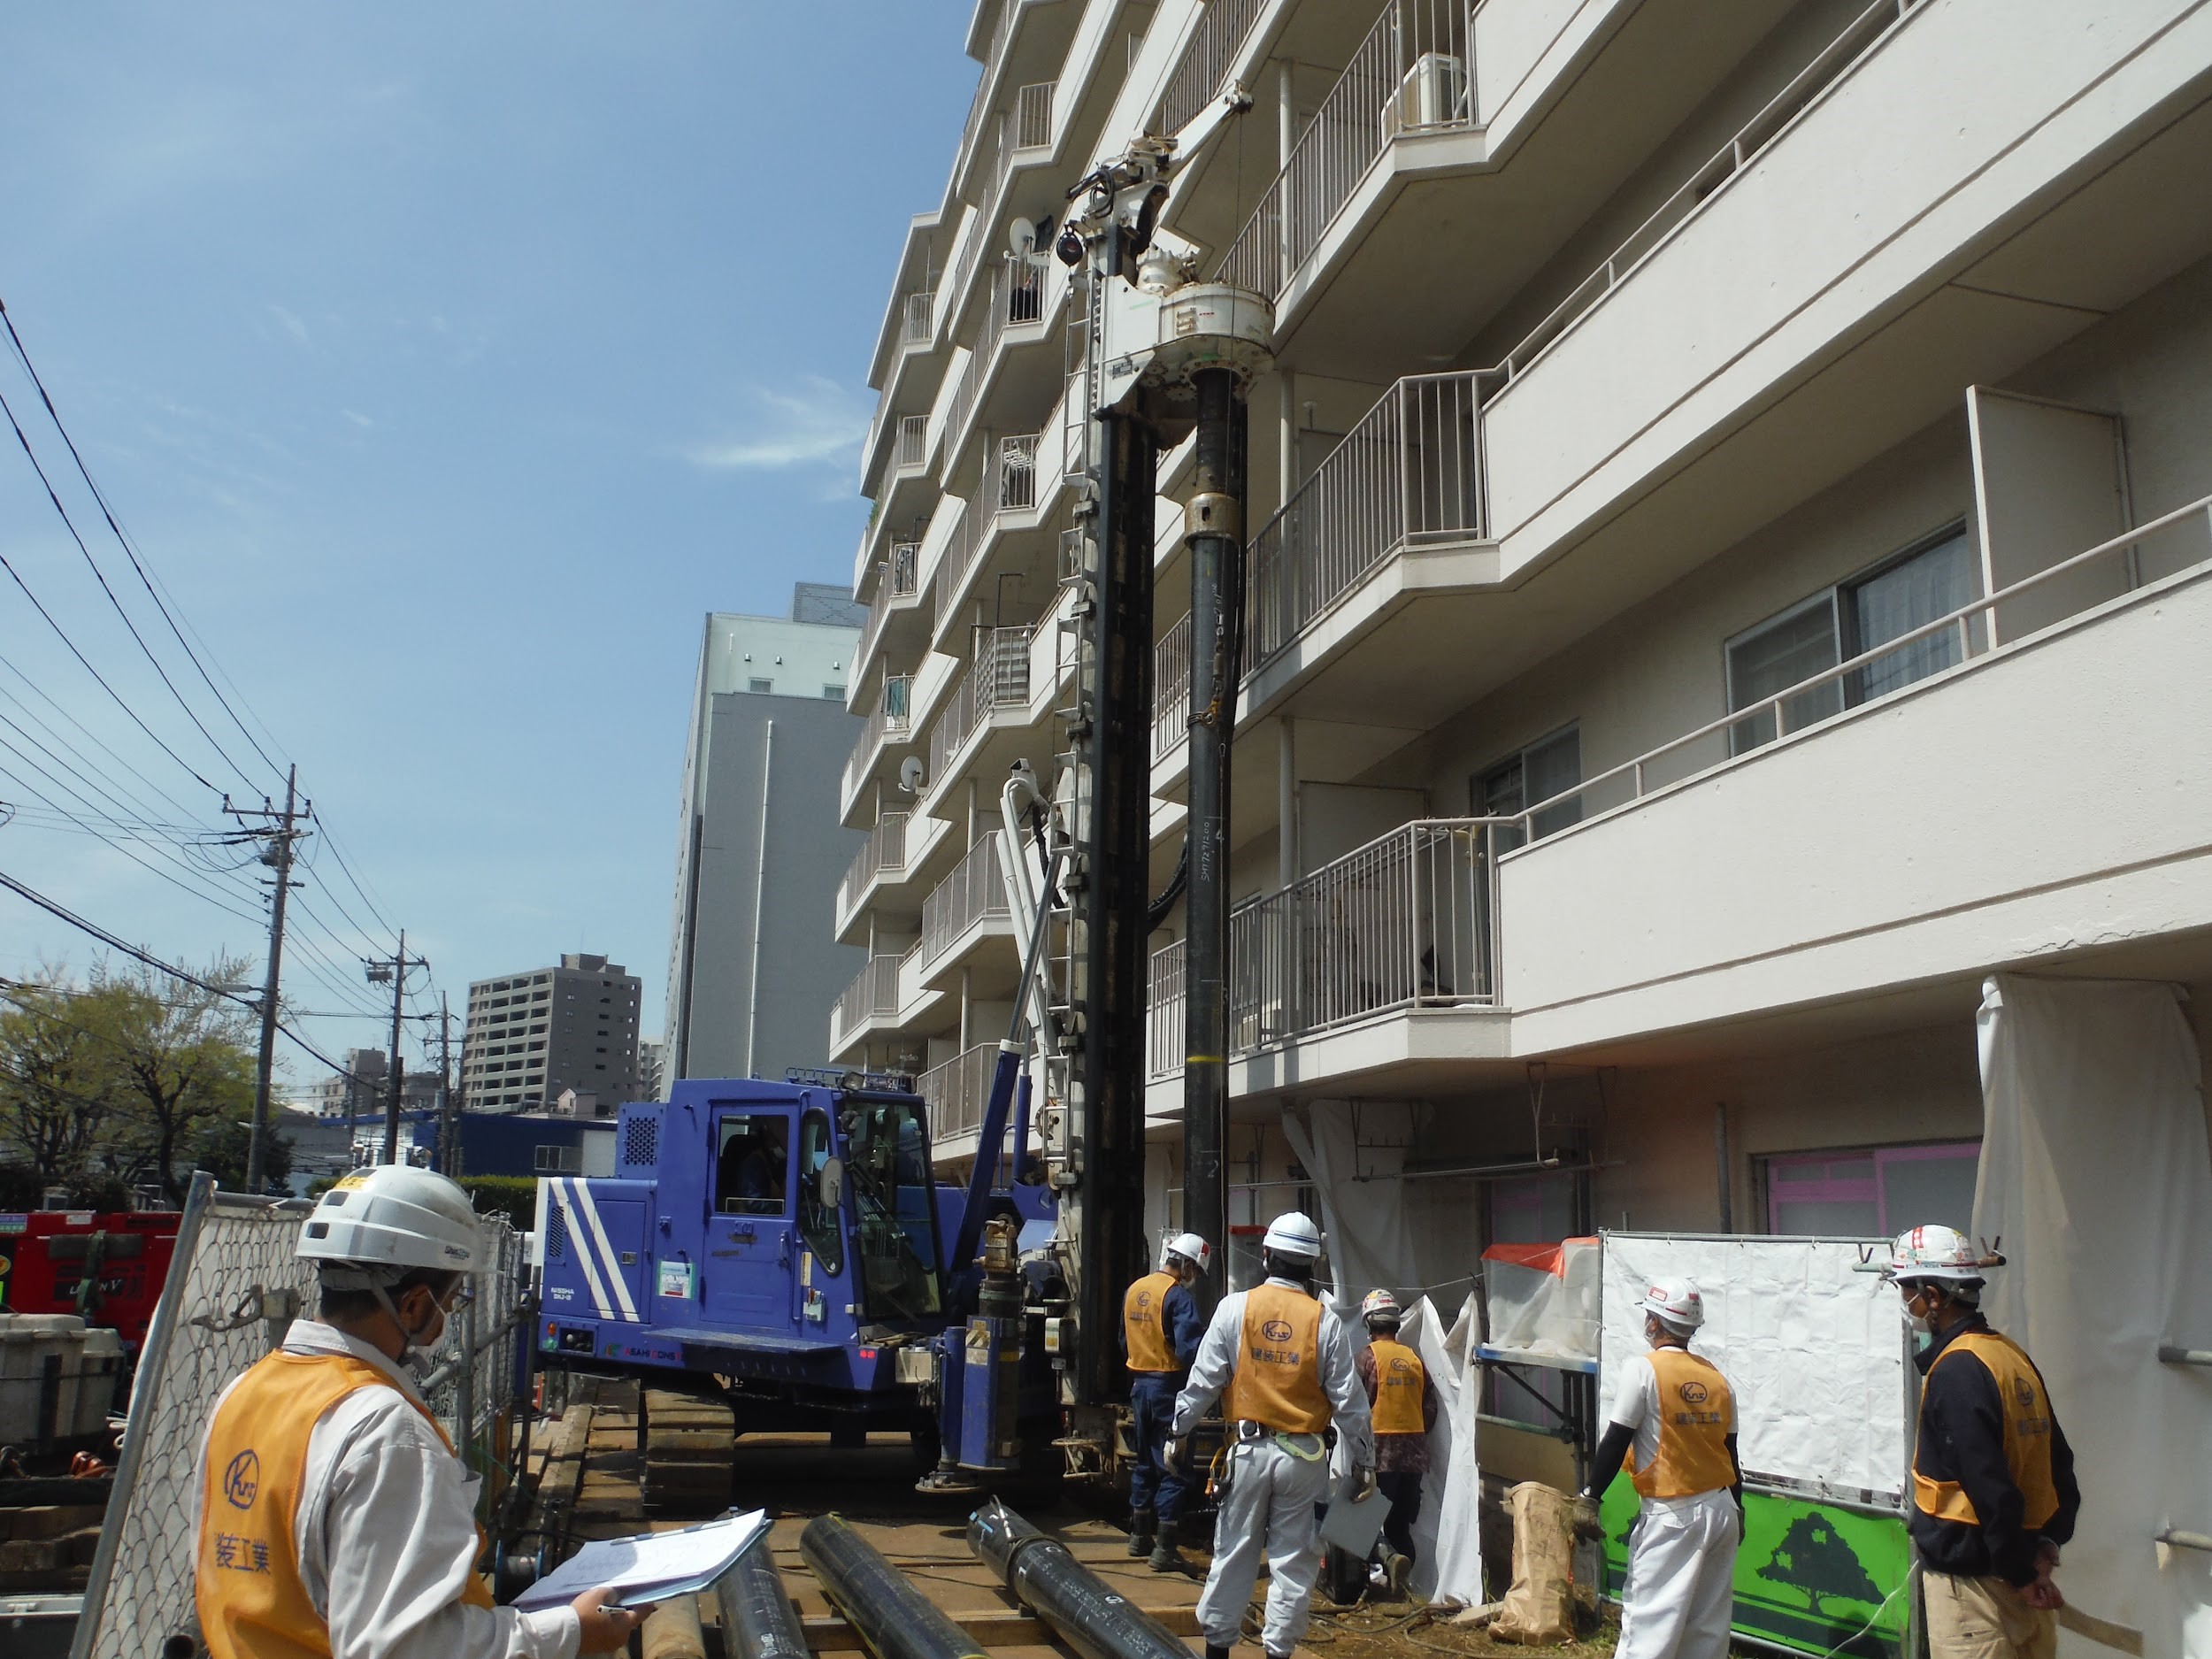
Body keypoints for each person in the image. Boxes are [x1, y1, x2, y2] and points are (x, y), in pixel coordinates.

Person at [195, 1164, 644, 1659]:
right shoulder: (383, 1428)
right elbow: (404, 1648)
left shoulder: (245, 1391)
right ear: (412, 1305)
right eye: (452, 1298)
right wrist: (573, 1631)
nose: (449, 1315)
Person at [1166, 1212, 1372, 1659]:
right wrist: (1366, 1461)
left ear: (1265, 1257)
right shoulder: (1326, 1321)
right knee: (1293, 1564)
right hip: (1304, 1457)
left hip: (1248, 1451)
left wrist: (1178, 1430)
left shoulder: (1235, 1308)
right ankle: (1277, 1653)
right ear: (1312, 1266)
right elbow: (1350, 1403)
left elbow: (1203, 1380)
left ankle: (1217, 1651)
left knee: (1234, 1552)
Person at [1886, 1225, 2078, 1659]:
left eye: (1907, 1292)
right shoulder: (2009, 1355)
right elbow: (2058, 1462)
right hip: (2022, 1574)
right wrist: (2046, 1547)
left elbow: (1989, 1485)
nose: (1907, 1304)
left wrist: (2020, 1572)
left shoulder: (1956, 1371)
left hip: (1976, 1593)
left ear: (1933, 1297)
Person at [1581, 1279, 1741, 1659]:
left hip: (1674, 1515)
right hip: (1723, 1511)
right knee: (1706, 1632)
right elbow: (1731, 1456)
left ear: (1655, 1324)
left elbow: (1618, 1438)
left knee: (1649, 1629)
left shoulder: (1644, 1370)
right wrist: (1740, 1509)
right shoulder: (1718, 1378)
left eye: (1649, 1317)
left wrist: (1590, 1496)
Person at [1122, 1232, 1210, 1571]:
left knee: (1145, 1460)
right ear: (1187, 1265)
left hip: (1139, 1386)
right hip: (1167, 1388)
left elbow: (1122, 1338)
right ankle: (1165, 1549)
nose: (1194, 1278)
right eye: (1196, 1271)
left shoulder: (1135, 1290)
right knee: (1176, 1464)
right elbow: (1191, 1350)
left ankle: (1139, 1537)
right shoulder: (1178, 1299)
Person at [1355, 1289, 1439, 1597]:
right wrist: (1413, 1435)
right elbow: (1431, 1408)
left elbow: (1354, 1404)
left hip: (1380, 1454)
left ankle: (1372, 1581)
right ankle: (1401, 1587)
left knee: (1362, 1522)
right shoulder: (1414, 1359)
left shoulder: (1367, 1357)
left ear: (1369, 1323)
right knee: (1400, 1525)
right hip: (1413, 1457)